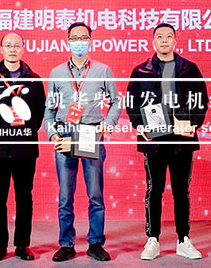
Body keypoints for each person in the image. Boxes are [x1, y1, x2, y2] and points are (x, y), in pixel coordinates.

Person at [125, 23, 208, 260]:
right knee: (155, 190)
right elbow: (131, 101)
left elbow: (201, 99)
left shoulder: (189, 69)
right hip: (155, 139)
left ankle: (183, 239)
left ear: (175, 41)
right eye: (159, 37)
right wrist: (138, 124)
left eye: (168, 36)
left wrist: (193, 123)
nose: (164, 40)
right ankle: (153, 239)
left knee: (181, 190)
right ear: (153, 42)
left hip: (182, 138)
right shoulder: (141, 71)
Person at [43, 22, 122, 262]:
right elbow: (49, 110)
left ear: (90, 40)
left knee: (95, 194)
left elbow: (116, 102)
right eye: (75, 38)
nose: (79, 42)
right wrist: (52, 134)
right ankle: (66, 244)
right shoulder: (57, 73)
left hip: (91, 135)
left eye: (83, 38)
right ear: (67, 41)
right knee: (65, 196)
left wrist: (106, 125)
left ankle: (95, 243)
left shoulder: (102, 70)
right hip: (65, 135)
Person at [0, 32, 46, 262]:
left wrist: (24, 131)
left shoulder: (34, 80)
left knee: (24, 197)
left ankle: (23, 244)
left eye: (17, 45)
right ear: (1, 49)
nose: (13, 49)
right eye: (8, 45)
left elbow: (40, 112)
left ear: (23, 49)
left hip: (26, 149)